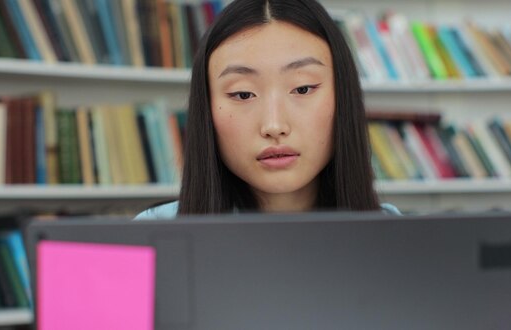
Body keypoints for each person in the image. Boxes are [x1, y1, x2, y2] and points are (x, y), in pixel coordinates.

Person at [135, 0, 399, 219]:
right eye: (243, 93)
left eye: (303, 89)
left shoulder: (395, 235)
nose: (274, 126)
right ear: (206, 111)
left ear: (344, 98)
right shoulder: (150, 233)